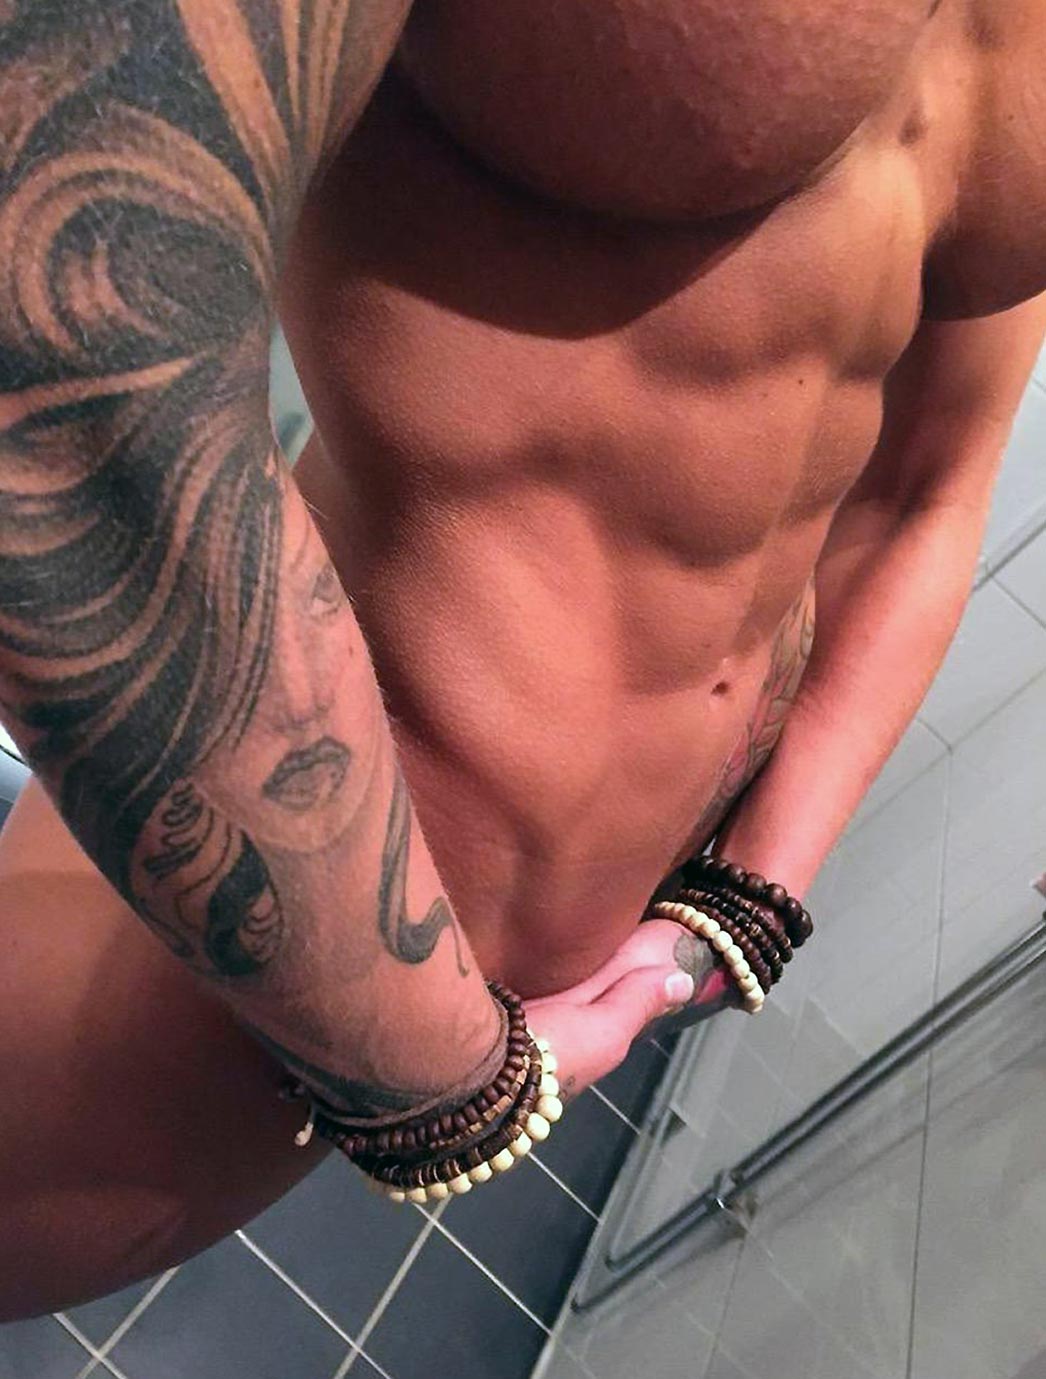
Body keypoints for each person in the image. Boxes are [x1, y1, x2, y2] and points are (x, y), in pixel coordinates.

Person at [1, 0, 1044, 1320]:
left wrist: (755, 888)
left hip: (551, 947)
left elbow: (928, 487)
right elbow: (58, 351)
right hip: (249, 931)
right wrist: (427, 1076)